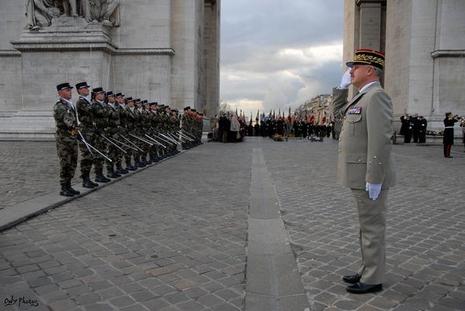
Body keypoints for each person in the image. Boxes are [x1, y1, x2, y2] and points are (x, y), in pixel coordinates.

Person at [335, 49, 395, 294]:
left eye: (355, 67)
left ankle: (373, 278)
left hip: (369, 176)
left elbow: (380, 141)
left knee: (372, 227)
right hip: (360, 175)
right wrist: (340, 90)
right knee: (365, 225)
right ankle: (366, 267)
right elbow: (336, 116)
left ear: (370, 70)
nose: (350, 71)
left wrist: (374, 177)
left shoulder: (377, 97)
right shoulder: (361, 97)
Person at [53, 82, 80, 197]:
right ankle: (64, 187)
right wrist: (79, 128)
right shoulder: (59, 106)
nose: (70, 92)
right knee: (65, 163)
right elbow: (69, 123)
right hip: (64, 140)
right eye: (67, 90)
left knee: (73, 162)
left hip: (72, 139)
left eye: (70, 90)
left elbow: (74, 124)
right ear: (60, 93)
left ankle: (69, 185)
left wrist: (76, 131)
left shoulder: (69, 105)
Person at [75, 81, 99, 189]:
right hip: (85, 131)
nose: (87, 90)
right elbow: (92, 110)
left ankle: (87, 178)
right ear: (80, 90)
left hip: (90, 130)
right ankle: (85, 179)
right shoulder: (81, 102)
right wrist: (95, 102)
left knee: (91, 155)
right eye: (85, 88)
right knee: (87, 155)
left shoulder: (87, 101)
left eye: (87, 88)